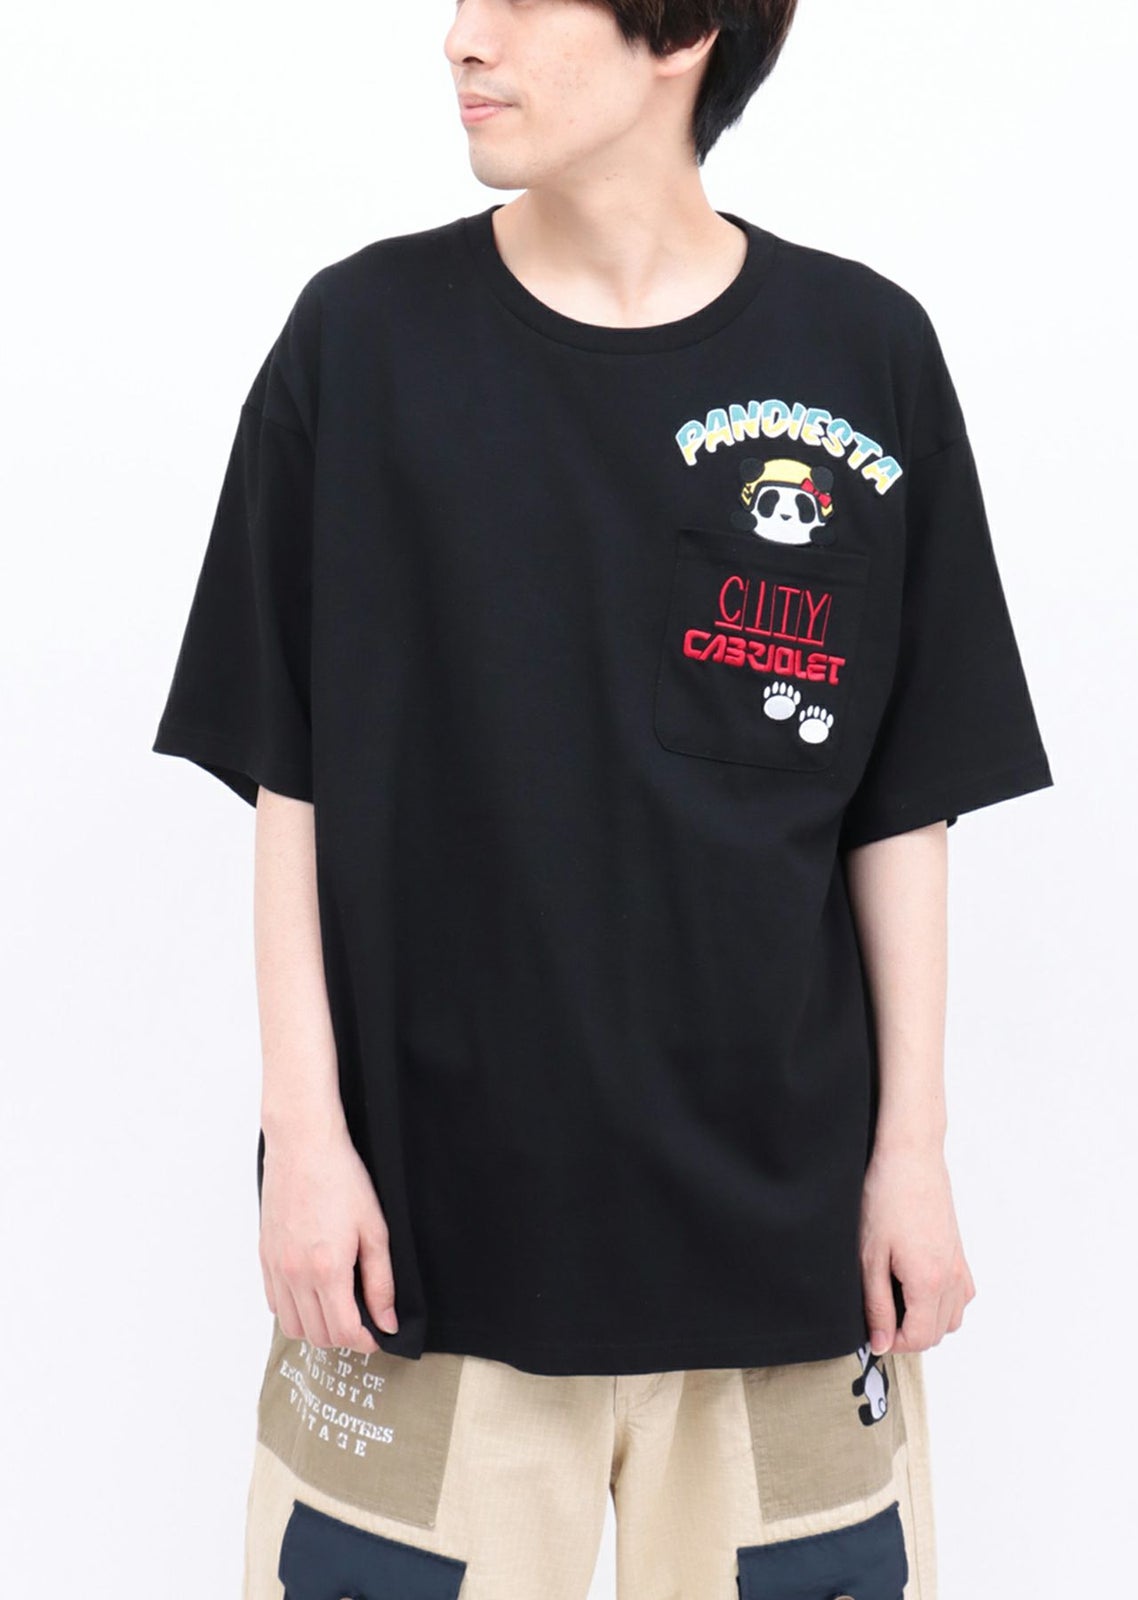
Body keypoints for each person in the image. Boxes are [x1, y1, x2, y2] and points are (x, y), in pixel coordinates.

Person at [150, 3, 1054, 1596]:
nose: (459, 37)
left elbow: (900, 802)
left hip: (784, 1252)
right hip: (421, 1252)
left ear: (683, 27)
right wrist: (305, 1142)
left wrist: (911, 1154)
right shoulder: (360, 344)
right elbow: (289, 772)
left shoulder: (863, 355)